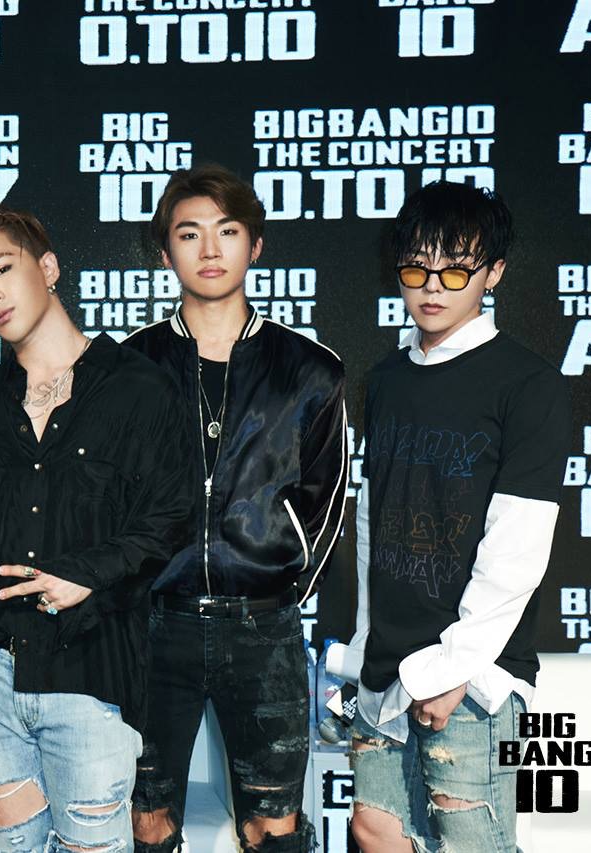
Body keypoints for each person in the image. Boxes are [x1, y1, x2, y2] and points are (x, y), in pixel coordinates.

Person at [331, 181, 570, 853]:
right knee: (375, 830)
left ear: (493, 273)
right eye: (416, 268)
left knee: (470, 840)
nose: (433, 286)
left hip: (473, 671)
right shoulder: (386, 379)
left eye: (457, 270)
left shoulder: (528, 384)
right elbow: (375, 520)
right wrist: (366, 644)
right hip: (387, 665)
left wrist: (454, 667)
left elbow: (518, 546)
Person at [0, 206, 194, 853]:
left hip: (92, 674)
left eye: (3, 269)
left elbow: (172, 518)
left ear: (49, 267)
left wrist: (88, 575)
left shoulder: (139, 388)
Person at [124, 164, 348, 853]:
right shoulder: (128, 368)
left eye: (227, 231)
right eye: (189, 233)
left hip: (264, 627)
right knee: (145, 818)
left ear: (256, 244)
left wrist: (278, 591)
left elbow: (328, 500)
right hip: (153, 625)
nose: (210, 249)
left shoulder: (309, 368)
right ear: (166, 252)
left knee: (272, 826)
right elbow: (110, 501)